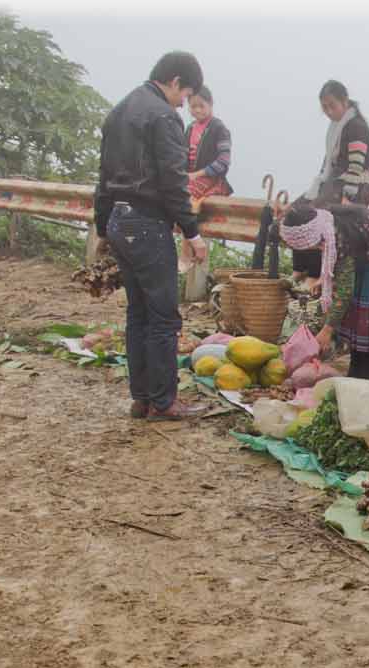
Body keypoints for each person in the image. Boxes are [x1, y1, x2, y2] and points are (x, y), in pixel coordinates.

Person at [94, 50, 212, 421]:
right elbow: (173, 182)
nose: (183, 103)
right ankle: (164, 401)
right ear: (175, 82)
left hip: (118, 219)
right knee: (163, 317)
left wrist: (102, 227)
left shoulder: (120, 110)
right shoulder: (163, 116)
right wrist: (192, 233)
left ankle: (142, 396)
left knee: (138, 313)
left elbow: (103, 175)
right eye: (185, 95)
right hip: (146, 222)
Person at [277, 202, 369, 384]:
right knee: (359, 321)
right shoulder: (325, 224)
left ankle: (366, 379)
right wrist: (325, 279)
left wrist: (327, 329)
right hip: (366, 252)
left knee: (368, 323)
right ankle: (358, 369)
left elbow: (345, 291)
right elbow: (333, 260)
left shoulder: (341, 239)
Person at [306, 80, 369, 208]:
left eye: (332, 106)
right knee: (298, 209)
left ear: (345, 102)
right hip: (335, 182)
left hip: (356, 186)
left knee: (312, 213)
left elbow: (356, 167)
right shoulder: (335, 129)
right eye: (325, 108)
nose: (329, 112)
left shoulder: (356, 126)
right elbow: (328, 163)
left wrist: (348, 195)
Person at [184, 86, 232, 202]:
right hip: (188, 177)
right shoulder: (190, 129)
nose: (197, 110)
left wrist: (197, 174)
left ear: (210, 104)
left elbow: (223, 162)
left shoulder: (219, 129)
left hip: (211, 179)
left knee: (184, 196)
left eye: (201, 106)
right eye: (193, 106)